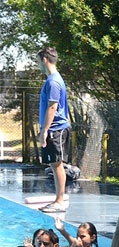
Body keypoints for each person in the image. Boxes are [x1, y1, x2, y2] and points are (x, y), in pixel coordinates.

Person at [36, 47, 71, 214]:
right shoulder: (53, 79)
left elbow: (52, 107)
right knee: (55, 164)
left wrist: (44, 130)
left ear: (44, 60)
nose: (38, 65)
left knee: (57, 165)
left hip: (55, 129)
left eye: (38, 61)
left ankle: (60, 200)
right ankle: (59, 198)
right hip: (55, 129)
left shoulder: (53, 82)